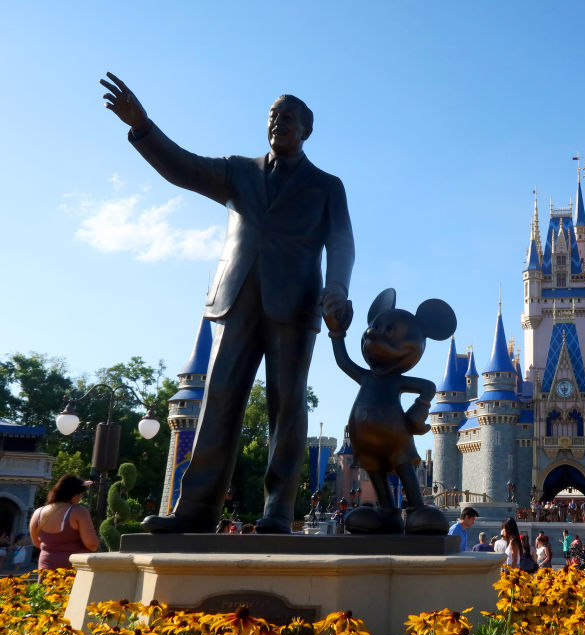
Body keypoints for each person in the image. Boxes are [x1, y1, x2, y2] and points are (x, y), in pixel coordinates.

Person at [102, 74, 355, 534]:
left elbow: (342, 244)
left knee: (288, 407)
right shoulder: (238, 170)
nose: (280, 123)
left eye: (290, 118)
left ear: (307, 130)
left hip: (295, 308)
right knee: (218, 401)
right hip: (236, 300)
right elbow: (184, 167)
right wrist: (143, 127)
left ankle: (278, 510)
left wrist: (336, 289)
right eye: (274, 116)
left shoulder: (327, 186)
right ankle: (195, 509)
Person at [29, 475, 100, 570]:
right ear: (74, 494)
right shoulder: (78, 512)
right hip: (72, 571)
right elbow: (92, 544)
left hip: (46, 569)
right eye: (80, 494)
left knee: (44, 586)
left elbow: (36, 543)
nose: (80, 497)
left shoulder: (38, 512)